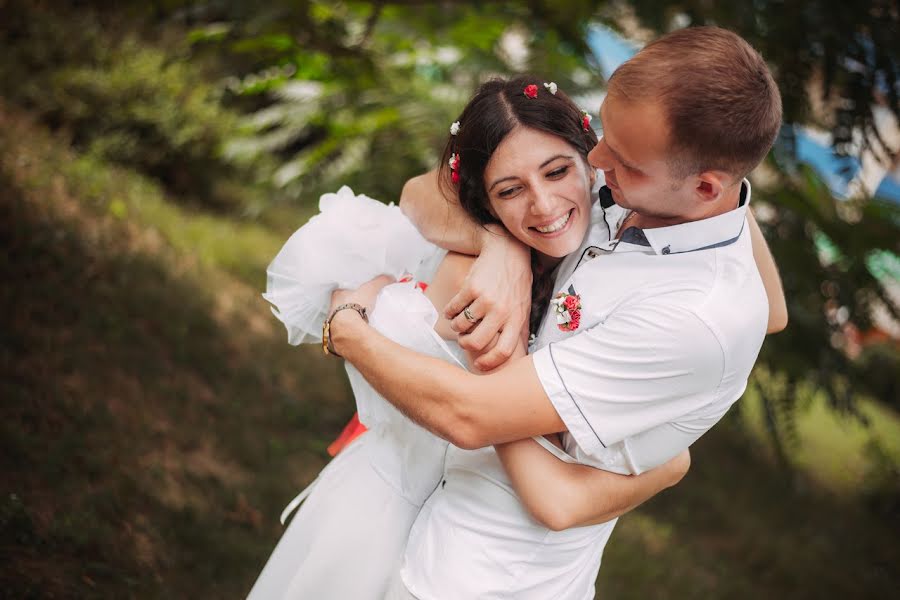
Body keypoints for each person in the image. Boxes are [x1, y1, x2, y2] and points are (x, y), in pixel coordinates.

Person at [326, 26, 786, 599]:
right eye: (605, 133)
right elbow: (425, 192)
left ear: (706, 186)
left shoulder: (694, 317)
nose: (596, 159)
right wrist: (504, 248)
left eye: (625, 158)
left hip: (483, 580)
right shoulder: (640, 193)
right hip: (427, 519)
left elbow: (479, 426)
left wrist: (346, 328)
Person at [248, 77, 698, 600]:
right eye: (509, 190)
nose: (544, 204)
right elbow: (415, 194)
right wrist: (499, 245)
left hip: (490, 551)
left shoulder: (612, 253)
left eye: (558, 172)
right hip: (383, 511)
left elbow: (766, 311)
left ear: (591, 160)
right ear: (481, 198)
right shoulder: (475, 278)